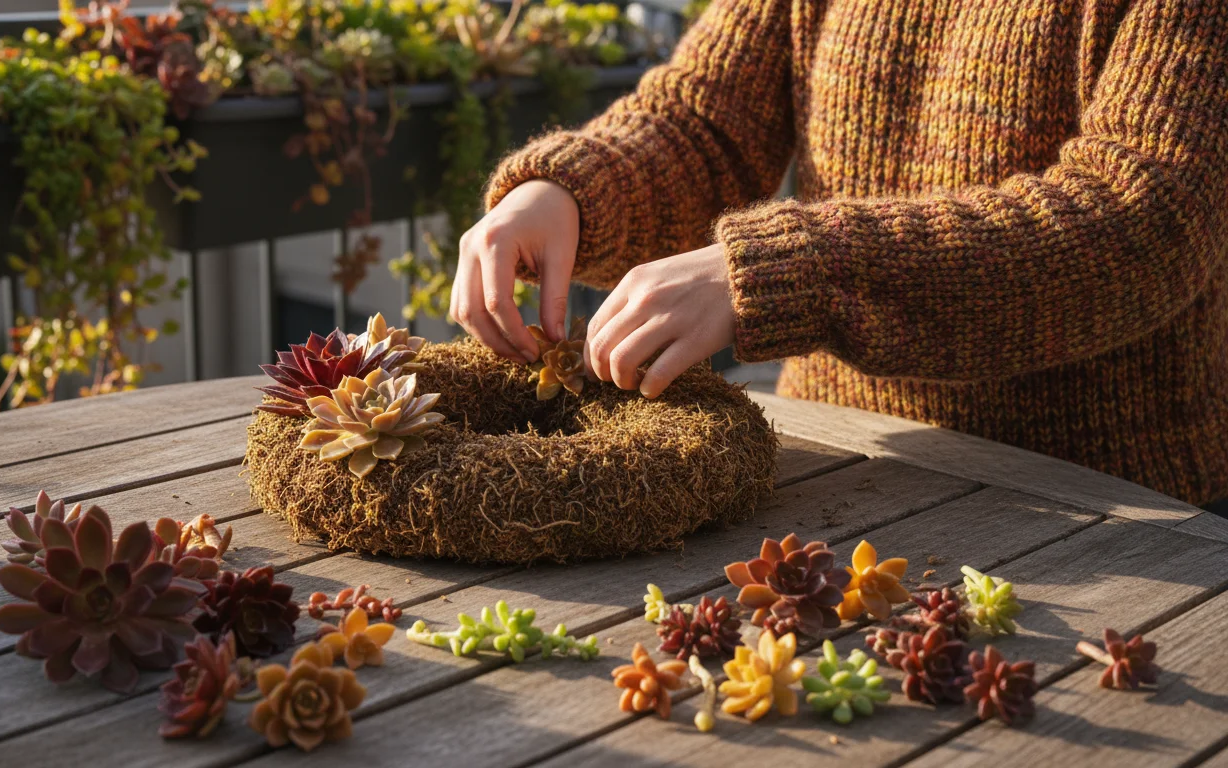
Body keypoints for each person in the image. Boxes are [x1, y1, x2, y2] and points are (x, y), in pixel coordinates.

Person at [449, 0, 1228, 510]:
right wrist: (566, 193)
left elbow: (1146, 218)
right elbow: (705, 122)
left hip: (1113, 508)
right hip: (835, 473)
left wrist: (791, 271)